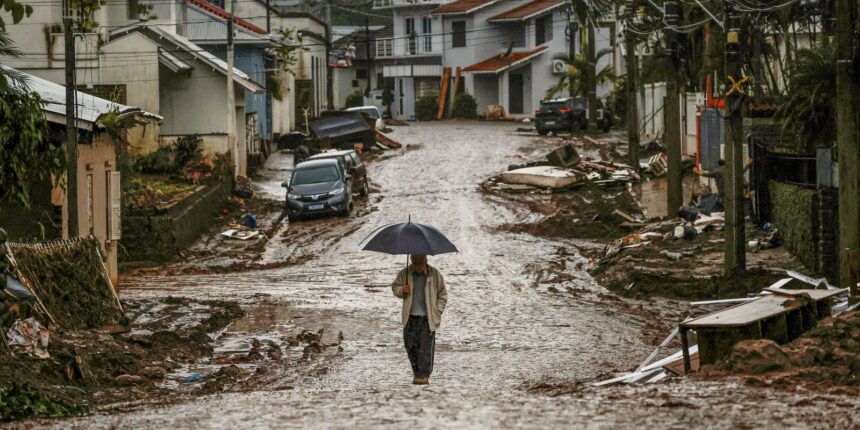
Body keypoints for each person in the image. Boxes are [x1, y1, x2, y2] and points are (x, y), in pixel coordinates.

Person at [391, 254, 447, 385]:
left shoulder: (434, 275)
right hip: (410, 317)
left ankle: (423, 375)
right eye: (414, 263)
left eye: (419, 263)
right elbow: (395, 287)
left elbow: (443, 294)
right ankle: (417, 372)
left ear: (425, 261)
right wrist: (402, 290)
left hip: (427, 318)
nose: (417, 266)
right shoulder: (405, 274)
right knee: (410, 345)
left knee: (425, 347)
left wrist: (437, 310)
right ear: (411, 261)